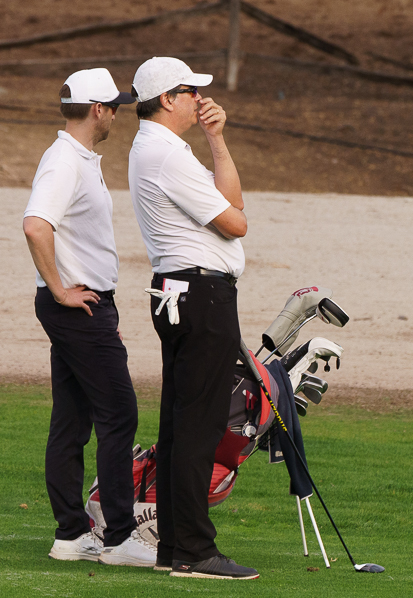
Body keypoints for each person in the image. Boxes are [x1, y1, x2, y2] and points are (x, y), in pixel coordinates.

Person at [127, 57, 257, 580]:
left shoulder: (162, 148)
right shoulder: (164, 153)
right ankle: (194, 551)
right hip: (200, 295)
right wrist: (233, 215)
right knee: (198, 427)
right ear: (167, 99)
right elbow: (236, 222)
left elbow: (233, 200)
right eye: (190, 90)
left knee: (183, 425)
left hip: (182, 293)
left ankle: (174, 546)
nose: (199, 98)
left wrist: (217, 140)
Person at [22, 68, 156, 568]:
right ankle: (119, 539)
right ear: (98, 109)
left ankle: (72, 534)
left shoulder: (75, 158)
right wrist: (61, 289)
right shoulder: (66, 162)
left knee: (72, 419)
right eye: (114, 106)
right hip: (75, 305)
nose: (117, 114)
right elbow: (36, 226)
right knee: (119, 414)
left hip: (84, 306)